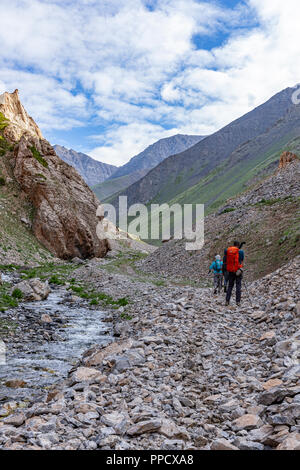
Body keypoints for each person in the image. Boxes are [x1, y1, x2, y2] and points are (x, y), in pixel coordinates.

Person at [224, 241, 245, 306]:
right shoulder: (241, 251)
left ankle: (227, 301)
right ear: (238, 245)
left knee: (230, 286)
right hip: (238, 271)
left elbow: (225, 259)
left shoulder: (227, 250)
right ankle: (238, 302)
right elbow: (241, 260)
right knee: (238, 286)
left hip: (230, 271)